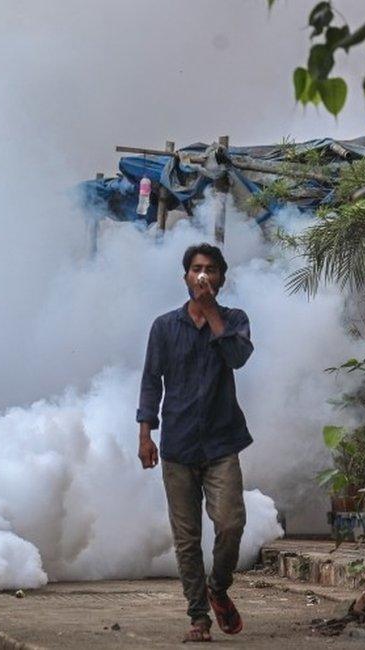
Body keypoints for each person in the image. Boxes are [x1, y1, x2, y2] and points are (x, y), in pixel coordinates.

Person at [136, 243, 253, 643]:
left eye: (211, 270)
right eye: (196, 269)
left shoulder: (235, 319)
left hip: (222, 442)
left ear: (221, 278)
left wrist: (212, 311)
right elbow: (152, 380)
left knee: (231, 524)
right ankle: (198, 617)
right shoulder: (165, 327)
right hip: (178, 444)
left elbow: (237, 358)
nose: (203, 275)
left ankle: (218, 587)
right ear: (185, 276)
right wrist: (144, 433)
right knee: (187, 540)